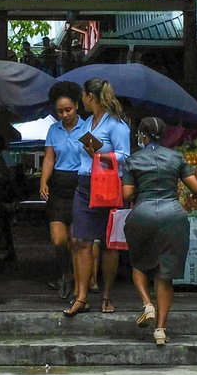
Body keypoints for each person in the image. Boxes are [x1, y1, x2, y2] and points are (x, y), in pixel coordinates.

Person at [123, 116, 197, 344]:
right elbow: (196, 189)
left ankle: (147, 304)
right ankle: (160, 330)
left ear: (142, 135)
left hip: (142, 214)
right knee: (165, 274)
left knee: (139, 263)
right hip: (173, 216)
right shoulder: (177, 157)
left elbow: (127, 194)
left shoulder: (133, 160)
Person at [69, 77, 134, 315]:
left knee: (108, 244)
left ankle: (106, 295)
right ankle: (82, 296)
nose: (82, 100)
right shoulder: (87, 123)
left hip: (108, 184)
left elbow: (125, 156)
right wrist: (91, 152)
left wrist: (99, 155)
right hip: (85, 183)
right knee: (81, 241)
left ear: (90, 97)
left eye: (83, 96)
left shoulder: (116, 125)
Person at [38, 82, 87, 302]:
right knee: (59, 240)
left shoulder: (87, 128)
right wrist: (43, 181)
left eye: (68, 110)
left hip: (80, 185)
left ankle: (80, 282)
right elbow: (49, 157)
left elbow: (96, 153)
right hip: (58, 185)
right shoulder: (53, 129)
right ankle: (65, 274)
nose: (65, 114)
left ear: (77, 106)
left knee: (76, 239)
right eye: (60, 111)